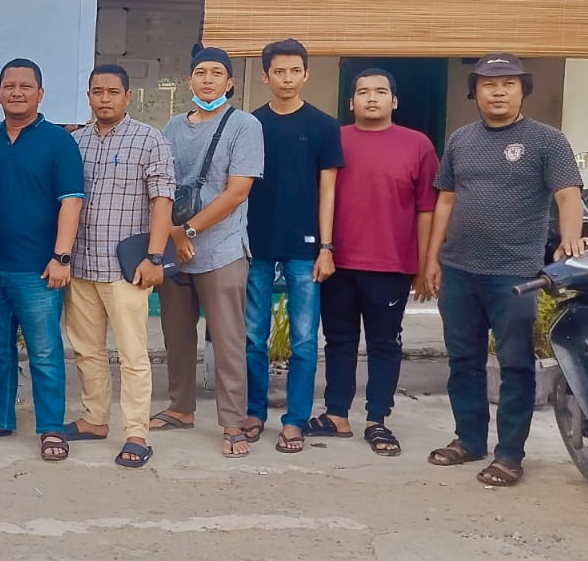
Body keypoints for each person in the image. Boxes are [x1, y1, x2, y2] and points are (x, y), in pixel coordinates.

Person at [422, 53, 585, 487]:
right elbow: (445, 200)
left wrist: (570, 240)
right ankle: (469, 440)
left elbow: (568, 194)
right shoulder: (460, 140)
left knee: (515, 365)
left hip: (515, 275)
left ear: (522, 90)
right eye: (489, 84)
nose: (498, 92)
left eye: (508, 84)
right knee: (464, 361)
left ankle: (510, 455)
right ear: (474, 92)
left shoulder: (546, 140)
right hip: (458, 270)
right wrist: (432, 259)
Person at [308, 68, 439, 457]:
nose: (371, 98)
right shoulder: (334, 139)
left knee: (384, 343)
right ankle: (336, 414)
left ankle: (377, 419)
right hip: (338, 262)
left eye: (380, 92)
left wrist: (423, 263)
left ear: (394, 101)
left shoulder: (418, 145)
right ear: (351, 102)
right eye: (363, 92)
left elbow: (427, 209)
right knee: (339, 340)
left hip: (391, 264)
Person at [0, 58, 84, 462]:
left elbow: (71, 202)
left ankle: (51, 427)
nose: (16, 92)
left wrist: (61, 256)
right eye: (9, 86)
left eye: (25, 86)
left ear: (40, 93)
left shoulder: (58, 142)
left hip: (39, 269)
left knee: (45, 353)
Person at [151, 46, 264, 458]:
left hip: (222, 249)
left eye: (217, 73)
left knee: (228, 339)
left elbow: (237, 192)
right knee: (176, 334)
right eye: (201, 72)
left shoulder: (244, 125)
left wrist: (188, 230)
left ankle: (233, 422)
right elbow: (162, 183)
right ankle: (180, 407)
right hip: (175, 248)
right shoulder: (172, 126)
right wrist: (171, 234)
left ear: (229, 82)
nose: (208, 79)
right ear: (189, 81)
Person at [63, 63, 175, 469]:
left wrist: (155, 257)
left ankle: (136, 432)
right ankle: (95, 419)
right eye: (97, 92)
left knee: (132, 354)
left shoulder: (150, 140)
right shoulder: (75, 142)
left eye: (113, 92)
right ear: (88, 97)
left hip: (127, 269)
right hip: (81, 264)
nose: (104, 99)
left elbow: (162, 200)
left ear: (128, 96)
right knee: (86, 350)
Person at [244, 38, 343, 454]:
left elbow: (328, 190)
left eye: (294, 71)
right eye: (278, 71)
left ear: (306, 75)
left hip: (306, 248)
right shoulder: (250, 124)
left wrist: (326, 246)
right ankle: (253, 413)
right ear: (265, 76)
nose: (287, 79)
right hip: (255, 244)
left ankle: (295, 420)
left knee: (304, 339)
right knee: (252, 336)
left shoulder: (323, 126)